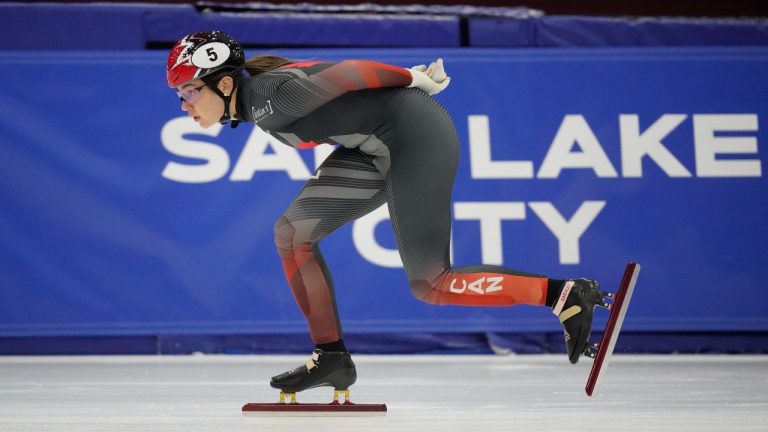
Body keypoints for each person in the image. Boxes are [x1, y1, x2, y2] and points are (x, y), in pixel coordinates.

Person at [166, 31, 606, 398]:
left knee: (432, 284)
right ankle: (332, 357)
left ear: (224, 85)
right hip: (373, 147)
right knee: (292, 233)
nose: (184, 104)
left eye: (189, 91)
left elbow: (350, 74)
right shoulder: (261, 104)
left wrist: (414, 78)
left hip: (415, 140)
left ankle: (563, 294)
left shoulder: (269, 98)